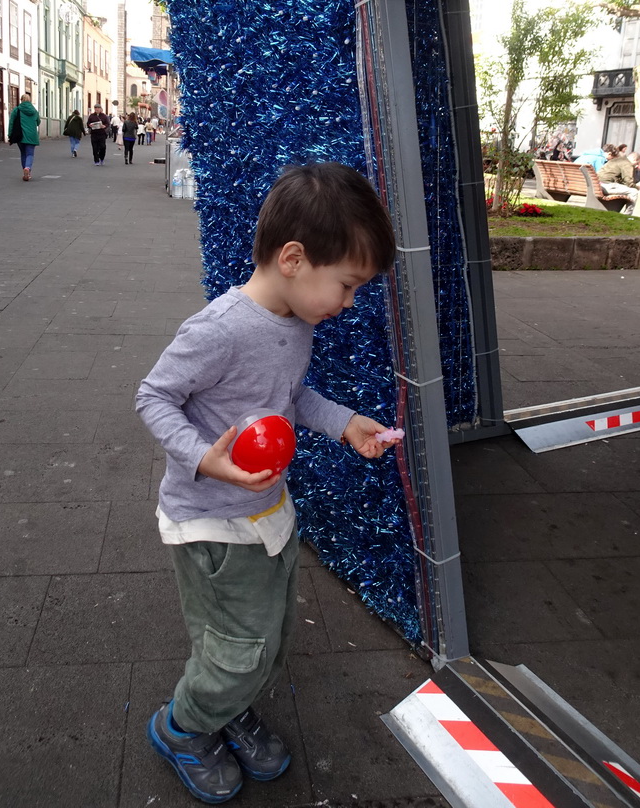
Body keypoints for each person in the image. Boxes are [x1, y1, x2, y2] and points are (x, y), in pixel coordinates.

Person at [136, 162, 400, 804]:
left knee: (266, 638)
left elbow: (289, 396)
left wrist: (344, 424)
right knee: (236, 648)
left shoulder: (294, 325)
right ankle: (184, 725)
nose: (348, 303)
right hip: (211, 522)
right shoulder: (219, 328)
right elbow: (153, 397)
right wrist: (206, 458)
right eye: (347, 284)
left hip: (265, 514)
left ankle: (229, 705)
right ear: (293, 258)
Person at [8, 91, 40, 181]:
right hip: (32, 135)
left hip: (20, 135)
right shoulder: (34, 111)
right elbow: (38, 122)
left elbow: (11, 123)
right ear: (29, 100)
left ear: (21, 100)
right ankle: (28, 168)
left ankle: (25, 171)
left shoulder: (16, 110)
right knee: (30, 154)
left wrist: (10, 135)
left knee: (23, 153)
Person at [597, 143, 638, 214]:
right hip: (606, 186)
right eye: (637, 163)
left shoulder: (615, 160)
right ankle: (627, 214)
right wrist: (637, 187)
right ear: (634, 159)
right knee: (634, 192)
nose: (636, 166)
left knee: (624, 189)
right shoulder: (627, 163)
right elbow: (628, 182)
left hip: (597, 185)